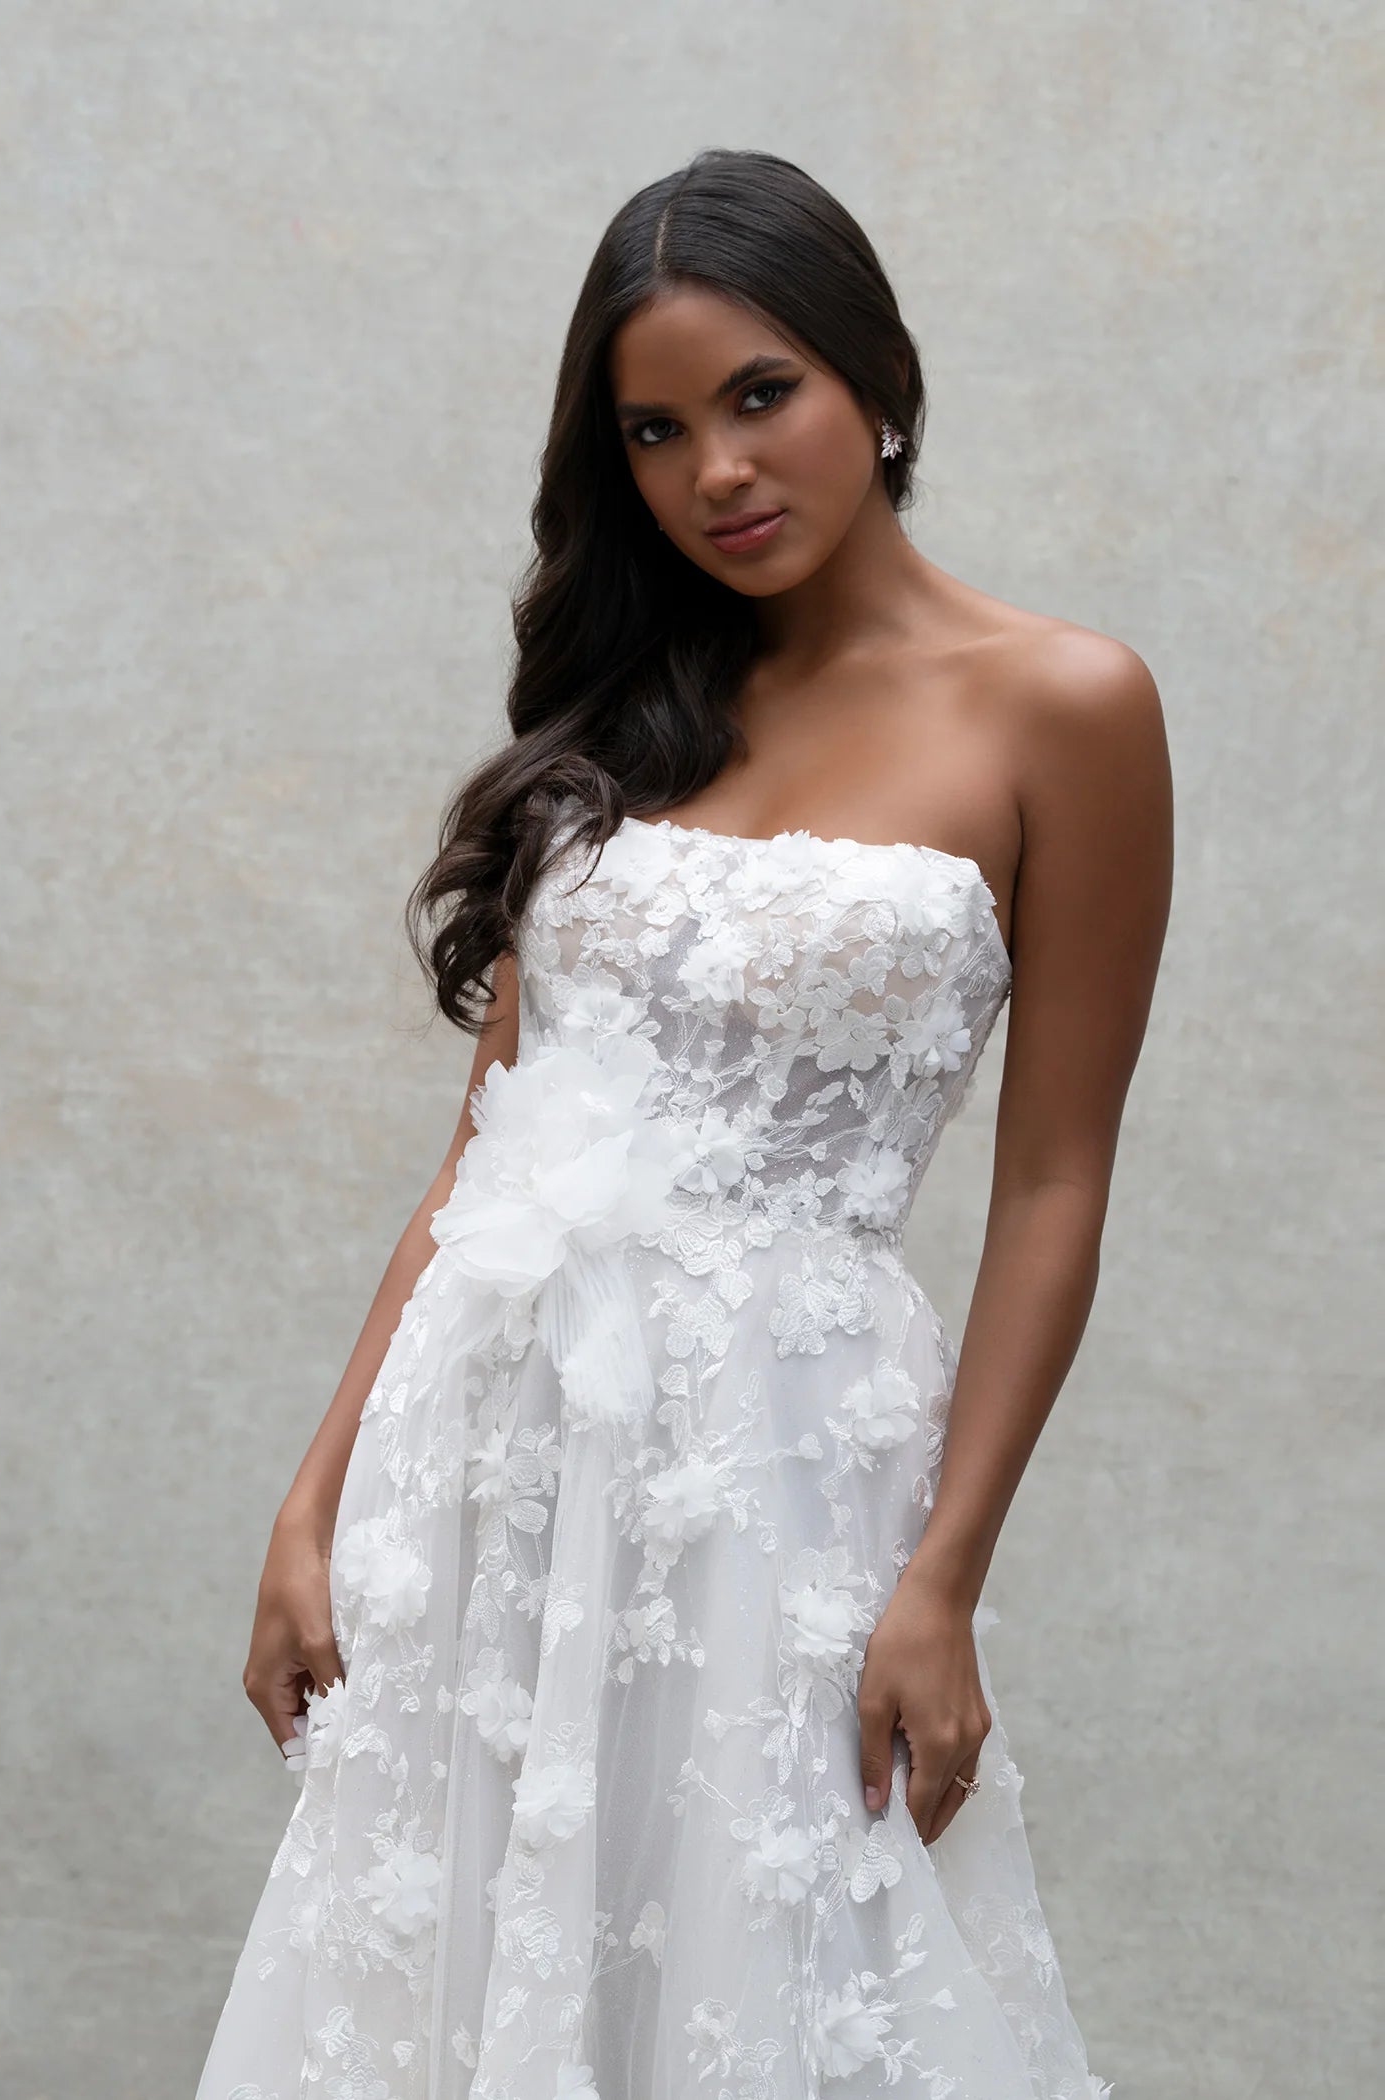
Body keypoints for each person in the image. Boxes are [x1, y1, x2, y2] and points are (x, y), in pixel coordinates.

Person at [195, 146, 1171, 2100]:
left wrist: (943, 1576)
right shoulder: (626, 720)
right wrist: (313, 1503)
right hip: (494, 1455)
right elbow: (489, 1156)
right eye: (654, 431)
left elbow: (1057, 1181)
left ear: (876, 376)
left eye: (759, 394)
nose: (716, 470)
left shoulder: (1063, 706)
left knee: (771, 1964)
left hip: (780, 1467)